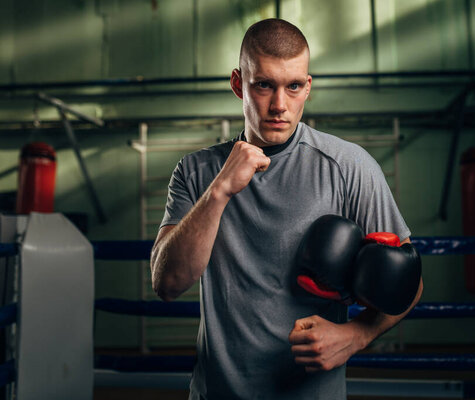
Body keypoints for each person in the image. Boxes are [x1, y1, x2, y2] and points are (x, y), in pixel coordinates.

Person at [151, 18, 423, 400]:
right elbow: (166, 283)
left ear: (307, 87)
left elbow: (409, 280)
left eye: (293, 86)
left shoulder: (349, 167)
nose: (280, 104)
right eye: (263, 85)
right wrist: (219, 191)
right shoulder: (196, 172)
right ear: (237, 84)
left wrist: (356, 335)